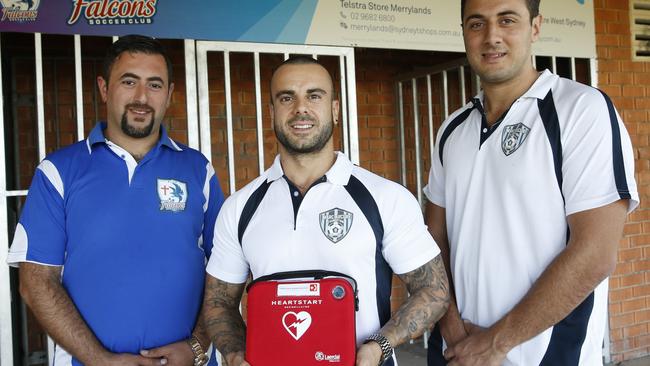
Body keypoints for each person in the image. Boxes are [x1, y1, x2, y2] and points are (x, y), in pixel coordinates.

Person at [424, 0, 638, 365]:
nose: (491, 37)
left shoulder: (581, 110)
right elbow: (433, 240)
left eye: (507, 20)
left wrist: (495, 344)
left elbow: (595, 254)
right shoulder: (452, 129)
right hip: (457, 352)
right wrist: (453, 328)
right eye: (477, 24)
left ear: (536, 27)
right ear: (463, 33)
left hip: (545, 356)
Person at [201, 56, 450, 366]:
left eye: (314, 96)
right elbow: (218, 303)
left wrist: (378, 347)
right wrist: (238, 355)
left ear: (334, 110)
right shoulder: (239, 207)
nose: (300, 108)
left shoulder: (386, 198)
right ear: (272, 112)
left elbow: (433, 291)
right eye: (286, 97)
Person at [7, 35, 224, 366]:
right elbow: (36, 282)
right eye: (128, 81)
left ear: (169, 94)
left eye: (154, 85)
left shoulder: (198, 170)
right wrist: (100, 360)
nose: (141, 97)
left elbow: (226, 273)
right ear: (104, 88)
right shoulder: (59, 172)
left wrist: (196, 347)